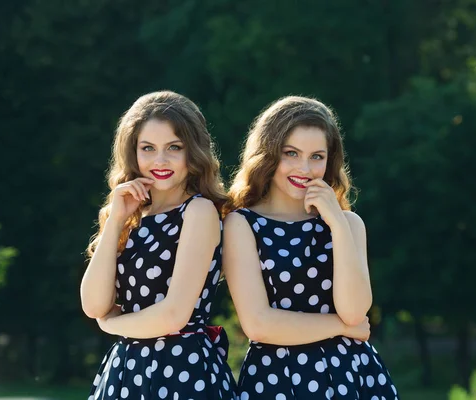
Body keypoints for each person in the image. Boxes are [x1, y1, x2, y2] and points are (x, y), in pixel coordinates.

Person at [223, 96, 399, 399]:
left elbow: (355, 312)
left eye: (317, 156)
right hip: (277, 380)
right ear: (268, 155)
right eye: (291, 153)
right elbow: (259, 324)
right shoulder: (241, 224)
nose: (304, 168)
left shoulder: (349, 224)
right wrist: (341, 327)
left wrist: (337, 223)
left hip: (353, 377)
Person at [81, 91, 238, 400]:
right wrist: (115, 220)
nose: (160, 161)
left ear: (192, 152)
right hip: (126, 372)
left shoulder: (199, 210)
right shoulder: (130, 216)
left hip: (182, 370)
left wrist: (113, 324)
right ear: (132, 153)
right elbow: (93, 304)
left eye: (173, 148)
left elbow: (173, 315)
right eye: (148, 148)